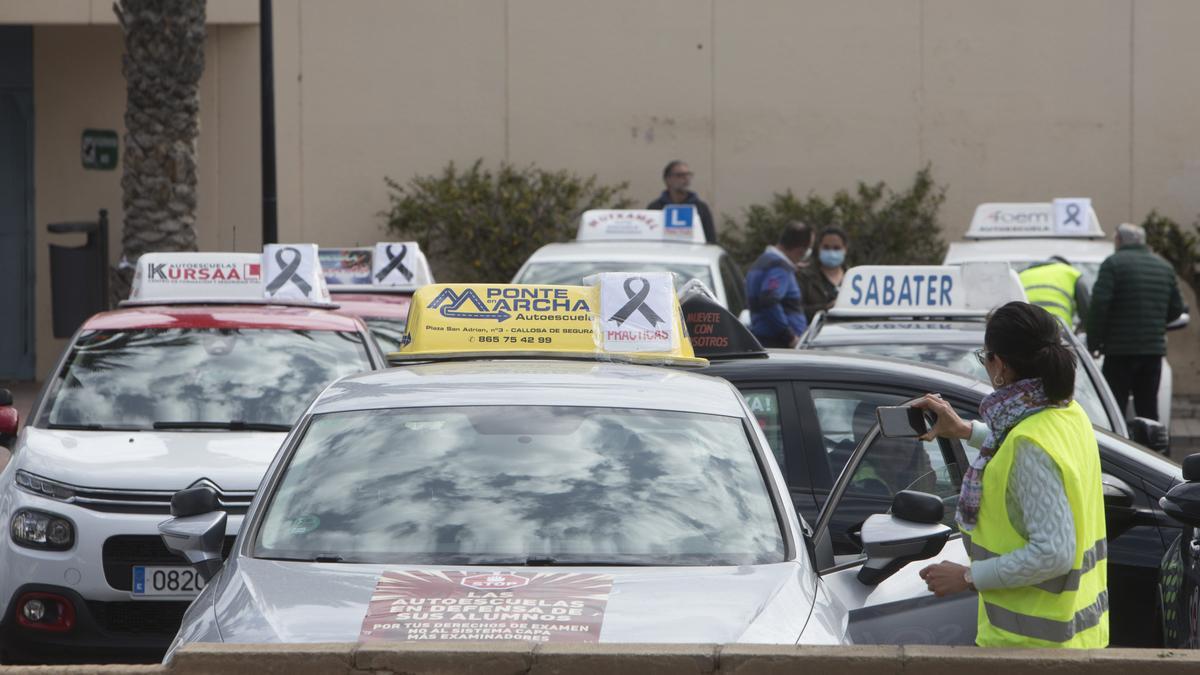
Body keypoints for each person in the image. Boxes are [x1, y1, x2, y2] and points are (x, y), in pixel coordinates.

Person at [914, 302, 1108, 648]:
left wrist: (967, 577)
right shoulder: (1066, 413)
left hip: (1033, 651)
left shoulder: (1028, 444)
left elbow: (1054, 554)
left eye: (983, 357)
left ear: (999, 365)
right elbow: (1020, 446)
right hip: (1072, 641)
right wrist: (963, 430)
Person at [1086, 223, 1185, 420]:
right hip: (1152, 352)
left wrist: (1094, 342)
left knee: (1114, 408)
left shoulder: (1113, 264)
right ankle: (1152, 448)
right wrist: (1155, 322)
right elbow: (1177, 308)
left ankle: (1118, 447)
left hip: (1119, 352)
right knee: (1148, 407)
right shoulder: (1164, 267)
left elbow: (1099, 305)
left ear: (1119, 240)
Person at [745, 222, 812, 348]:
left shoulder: (764, 262)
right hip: (780, 343)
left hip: (766, 340)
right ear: (800, 250)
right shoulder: (779, 267)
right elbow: (769, 299)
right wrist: (789, 336)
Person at [647, 160, 716, 243]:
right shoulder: (655, 208)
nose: (686, 179)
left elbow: (710, 240)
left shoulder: (700, 208)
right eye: (680, 175)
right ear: (667, 179)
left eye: (688, 175)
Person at [1019, 256, 1090, 329]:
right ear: (1066, 264)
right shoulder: (1071, 273)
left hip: (1025, 328)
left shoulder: (1021, 275)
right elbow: (1087, 313)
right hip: (1057, 329)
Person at [798, 226, 848, 322]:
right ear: (819, 248)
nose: (831, 252)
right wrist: (826, 308)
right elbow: (796, 311)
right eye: (826, 247)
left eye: (836, 248)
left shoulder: (854, 278)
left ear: (845, 249)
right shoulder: (804, 277)